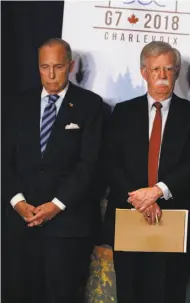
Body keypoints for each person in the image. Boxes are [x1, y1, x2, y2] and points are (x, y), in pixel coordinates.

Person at [102, 41, 190, 303]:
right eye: (155, 70)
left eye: (168, 69)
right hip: (129, 217)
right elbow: (109, 163)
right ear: (144, 73)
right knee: (129, 294)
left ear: (176, 72)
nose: (162, 76)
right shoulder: (122, 113)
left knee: (168, 295)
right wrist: (140, 199)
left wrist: (157, 192)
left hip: (174, 220)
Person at [3, 38, 104, 303]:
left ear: (70, 66)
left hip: (67, 226)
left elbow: (90, 165)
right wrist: (18, 202)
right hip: (20, 225)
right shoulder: (16, 104)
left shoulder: (91, 105)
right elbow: (5, 160)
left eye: (58, 66)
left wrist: (56, 205)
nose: (50, 74)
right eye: (44, 67)